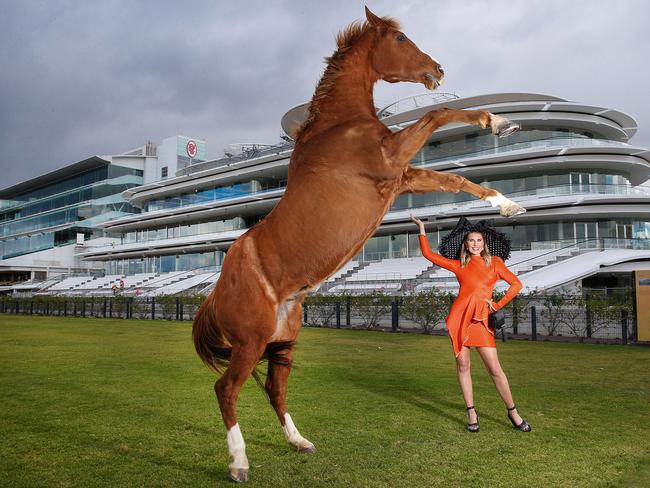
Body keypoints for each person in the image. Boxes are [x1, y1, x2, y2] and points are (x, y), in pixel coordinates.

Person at [411, 215, 531, 433]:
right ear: (465, 244)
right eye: (471, 240)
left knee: (495, 369)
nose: (475, 244)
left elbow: (516, 284)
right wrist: (421, 228)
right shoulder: (459, 265)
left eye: (479, 240)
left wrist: (496, 305)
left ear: (484, 243)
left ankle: (513, 412)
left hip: (481, 321)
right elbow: (428, 254)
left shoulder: (495, 263)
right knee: (463, 366)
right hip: (460, 319)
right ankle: (471, 413)